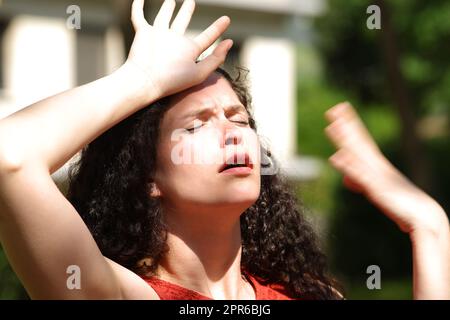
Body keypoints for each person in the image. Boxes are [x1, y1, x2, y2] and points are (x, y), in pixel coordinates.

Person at [0, 0, 448, 300]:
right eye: (197, 124)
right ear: (146, 177)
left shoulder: (309, 294)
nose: (233, 134)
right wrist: (144, 81)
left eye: (239, 119)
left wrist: (430, 227)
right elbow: (10, 156)